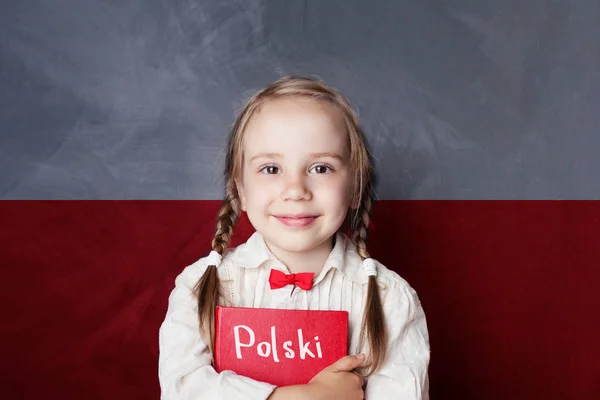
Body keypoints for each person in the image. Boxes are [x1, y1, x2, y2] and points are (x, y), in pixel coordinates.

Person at [158, 76, 430, 399]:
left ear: (355, 186)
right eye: (271, 169)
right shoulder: (199, 288)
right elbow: (183, 390)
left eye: (321, 168)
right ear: (240, 189)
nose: (296, 190)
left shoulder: (391, 302)